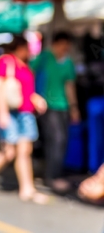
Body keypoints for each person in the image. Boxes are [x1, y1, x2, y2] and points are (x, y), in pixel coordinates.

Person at [0, 35, 49, 204]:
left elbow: (26, 92)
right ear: (20, 48)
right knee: (8, 152)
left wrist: (36, 99)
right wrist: (2, 113)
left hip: (25, 114)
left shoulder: (25, 66)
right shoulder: (6, 62)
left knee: (24, 151)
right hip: (10, 114)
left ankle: (27, 189)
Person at [32, 31, 80, 192]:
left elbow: (69, 86)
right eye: (63, 45)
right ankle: (52, 177)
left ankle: (55, 173)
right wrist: (34, 96)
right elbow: (29, 73)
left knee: (62, 141)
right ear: (56, 44)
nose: (65, 48)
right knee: (55, 140)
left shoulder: (68, 63)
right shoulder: (44, 57)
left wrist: (74, 107)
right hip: (47, 107)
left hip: (63, 106)